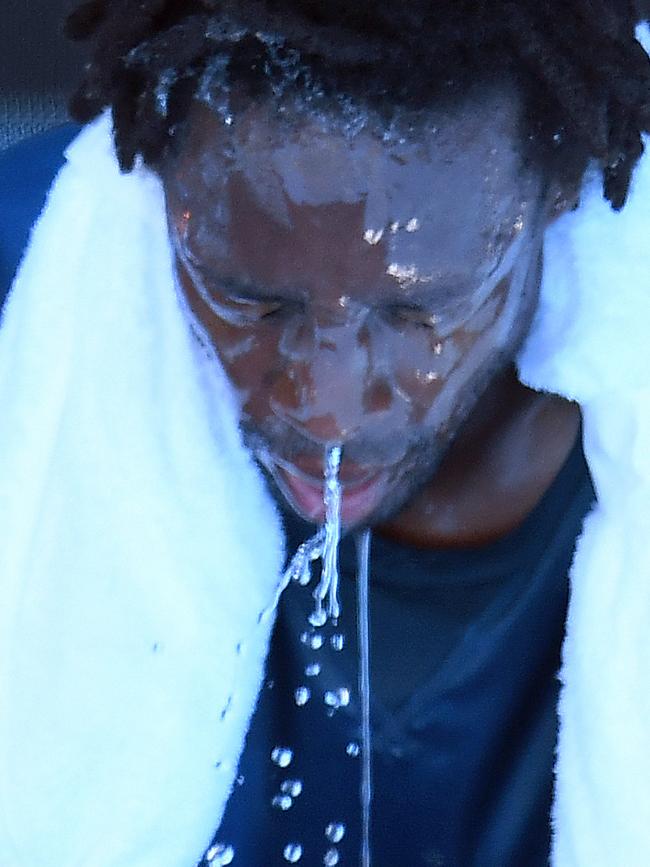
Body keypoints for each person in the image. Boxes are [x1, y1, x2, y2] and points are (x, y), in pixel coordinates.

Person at [0, 2, 649, 866]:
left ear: (560, 192)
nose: (326, 412)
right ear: (154, 170)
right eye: (248, 300)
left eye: (422, 310)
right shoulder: (18, 304)